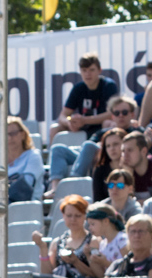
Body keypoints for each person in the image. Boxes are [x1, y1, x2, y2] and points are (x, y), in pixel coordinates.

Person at [46, 53, 118, 185]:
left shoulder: (108, 86)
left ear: (99, 71)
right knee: (54, 129)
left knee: (110, 123)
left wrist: (85, 120)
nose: (88, 74)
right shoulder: (78, 88)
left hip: (97, 139)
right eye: (84, 70)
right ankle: (53, 185)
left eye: (91, 70)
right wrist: (70, 122)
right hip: (82, 134)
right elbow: (63, 115)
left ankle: (75, 181)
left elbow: (112, 113)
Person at [31, 195, 97, 278]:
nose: (73, 219)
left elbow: (98, 275)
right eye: (69, 215)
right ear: (63, 216)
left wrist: (76, 262)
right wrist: (43, 248)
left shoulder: (93, 241)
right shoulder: (57, 243)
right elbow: (47, 275)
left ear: (85, 216)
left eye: (78, 215)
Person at [0, 118, 43, 203]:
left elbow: (25, 186)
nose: (9, 138)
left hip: (25, 205)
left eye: (13, 133)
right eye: (5, 135)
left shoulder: (33, 156)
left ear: (23, 134)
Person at [86, 204, 128, 278]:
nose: (90, 228)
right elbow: (101, 276)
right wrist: (89, 257)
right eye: (89, 224)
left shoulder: (122, 240)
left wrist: (105, 262)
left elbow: (126, 269)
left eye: (93, 224)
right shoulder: (102, 244)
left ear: (106, 221)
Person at [89, 128, 127, 202]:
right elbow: (97, 200)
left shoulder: (133, 165)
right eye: (108, 146)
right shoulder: (100, 170)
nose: (112, 149)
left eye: (115, 144)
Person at [120, 133, 152, 198]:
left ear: (143, 151)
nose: (125, 156)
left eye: (130, 150)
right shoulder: (124, 169)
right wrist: (128, 176)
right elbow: (125, 204)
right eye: (123, 151)